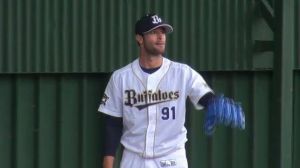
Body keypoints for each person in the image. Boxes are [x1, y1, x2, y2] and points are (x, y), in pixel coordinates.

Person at [98, 13, 245, 168]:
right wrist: (108, 163)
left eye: (163, 32)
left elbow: (204, 95)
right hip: (133, 159)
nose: (161, 37)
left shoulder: (182, 72)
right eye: (154, 32)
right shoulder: (121, 78)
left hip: (171, 157)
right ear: (140, 39)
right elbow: (112, 124)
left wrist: (213, 103)